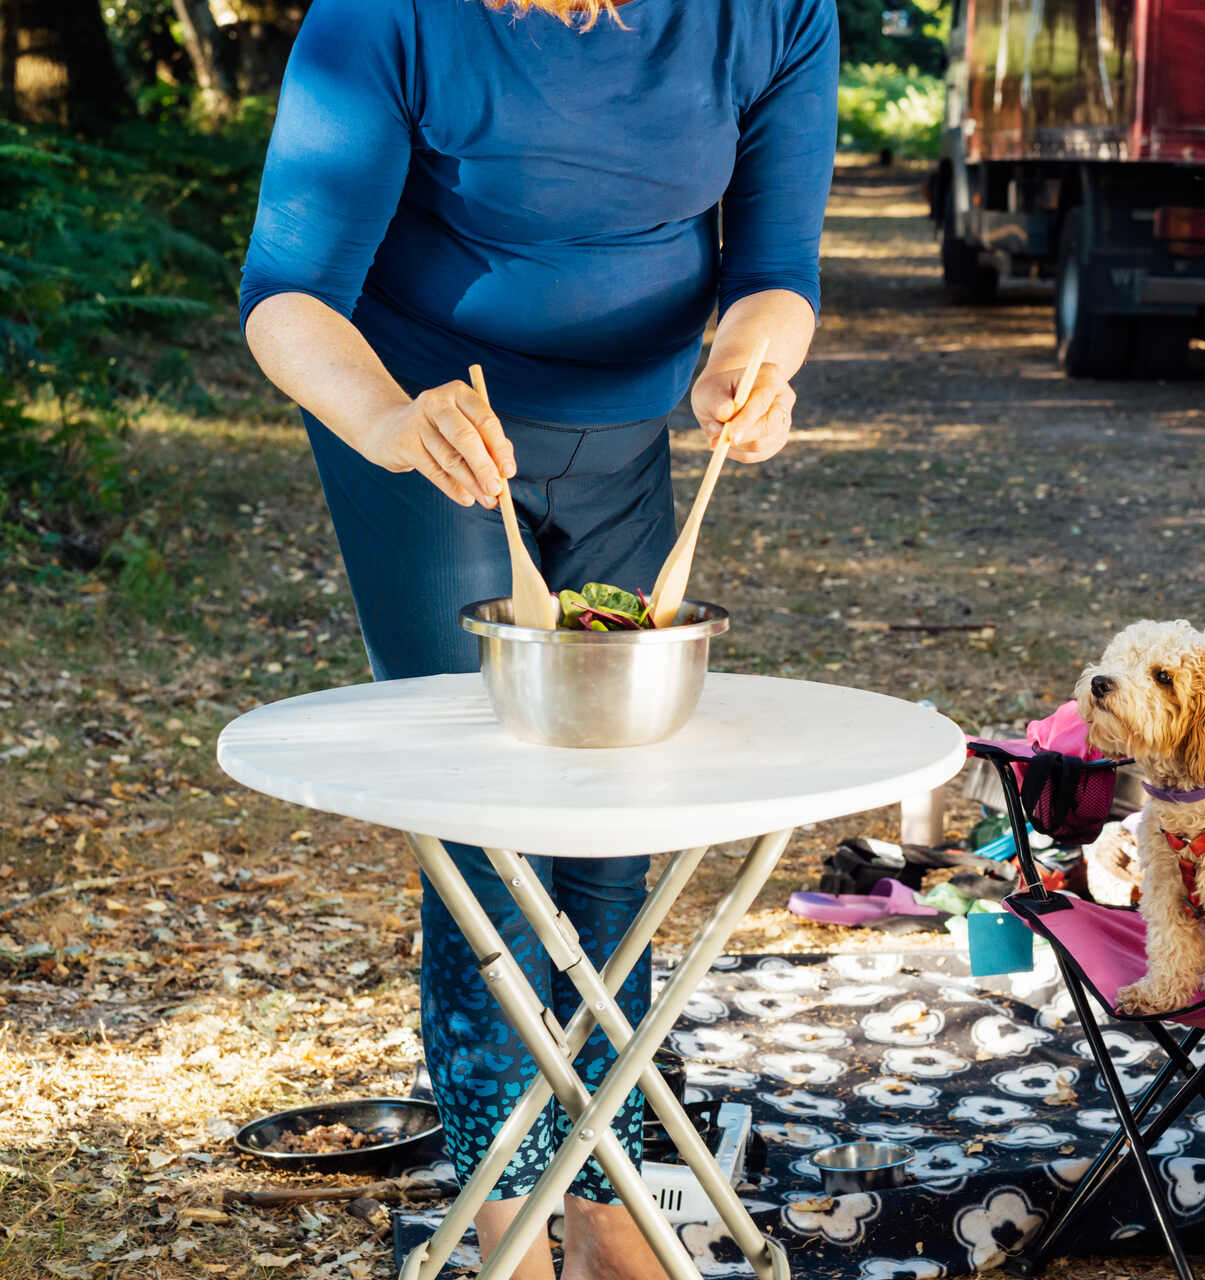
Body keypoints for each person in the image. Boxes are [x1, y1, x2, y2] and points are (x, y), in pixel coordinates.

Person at [237, 0, 836, 1274]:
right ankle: (508, 1209)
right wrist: (395, 422)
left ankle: (612, 1201)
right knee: (492, 826)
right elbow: (286, 298)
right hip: (428, 429)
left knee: (621, 818)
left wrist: (748, 362)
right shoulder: (384, 17)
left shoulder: (776, 13)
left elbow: (774, 267)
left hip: (628, 438)